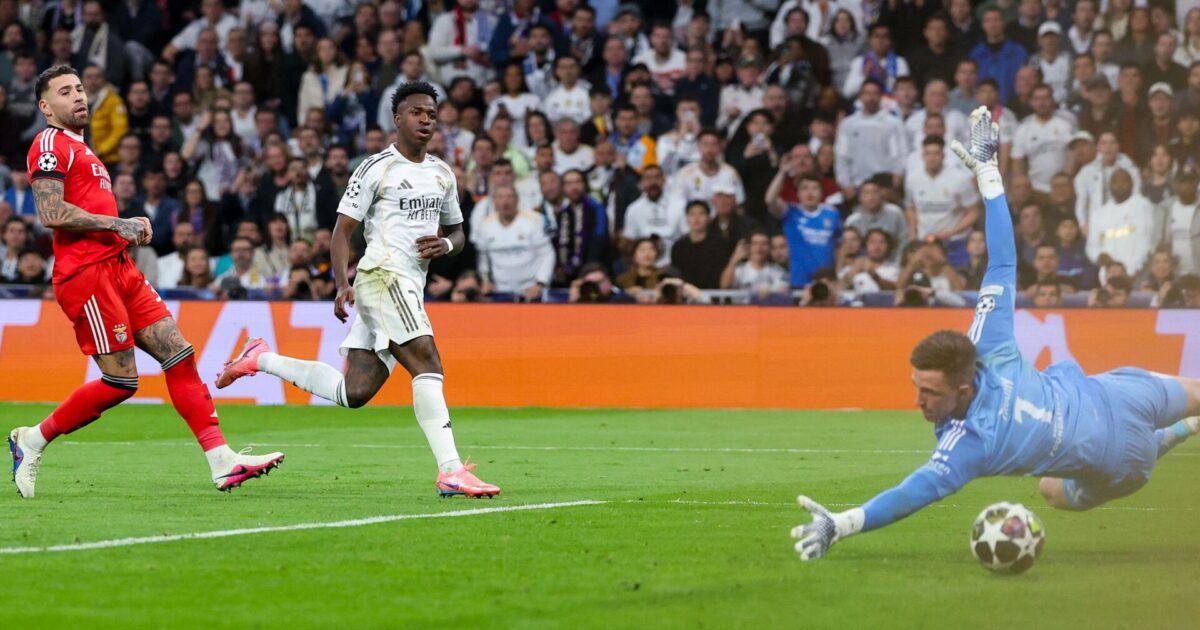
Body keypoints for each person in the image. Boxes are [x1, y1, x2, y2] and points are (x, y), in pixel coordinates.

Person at [790, 107, 1200, 561]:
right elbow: (1003, 261)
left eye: (928, 392)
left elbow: (913, 492)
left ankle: (1175, 434)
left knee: (1052, 491)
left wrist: (842, 524)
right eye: (916, 388)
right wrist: (989, 175)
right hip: (1121, 392)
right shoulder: (987, 342)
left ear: (963, 386)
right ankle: (1179, 426)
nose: (918, 402)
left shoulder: (971, 445)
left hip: (1122, 459)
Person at [7, 65, 284, 499]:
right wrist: (117, 223)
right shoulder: (49, 144)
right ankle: (32, 439)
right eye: (65, 92)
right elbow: (50, 213)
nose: (78, 96)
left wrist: (122, 227)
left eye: (80, 88)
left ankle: (222, 461)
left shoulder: (85, 149)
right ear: (45, 107)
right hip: (86, 276)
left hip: (119, 269)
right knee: (121, 382)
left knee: (179, 354)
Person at [216, 82, 499, 498]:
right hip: (382, 277)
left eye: (432, 115)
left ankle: (261, 358)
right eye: (417, 112)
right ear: (397, 118)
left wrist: (447, 245)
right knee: (427, 363)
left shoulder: (442, 173)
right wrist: (341, 283)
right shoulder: (374, 168)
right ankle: (451, 470)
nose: (426, 120)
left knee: (355, 392)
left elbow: (458, 231)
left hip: (409, 285)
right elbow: (342, 230)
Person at [767, 167, 842, 289]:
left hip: (827, 284)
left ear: (821, 192)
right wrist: (782, 173)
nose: (810, 193)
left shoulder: (832, 214)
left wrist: (838, 275)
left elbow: (839, 246)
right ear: (798, 193)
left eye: (814, 188)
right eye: (805, 188)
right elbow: (770, 199)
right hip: (799, 283)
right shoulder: (790, 212)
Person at [475, 184, 553, 300]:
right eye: (500, 197)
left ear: (517, 200)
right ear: (494, 202)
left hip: (531, 289)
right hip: (500, 290)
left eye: (509, 196)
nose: (505, 201)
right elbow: (483, 256)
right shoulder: (486, 224)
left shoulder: (534, 220)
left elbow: (547, 254)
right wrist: (485, 280)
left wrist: (541, 283)